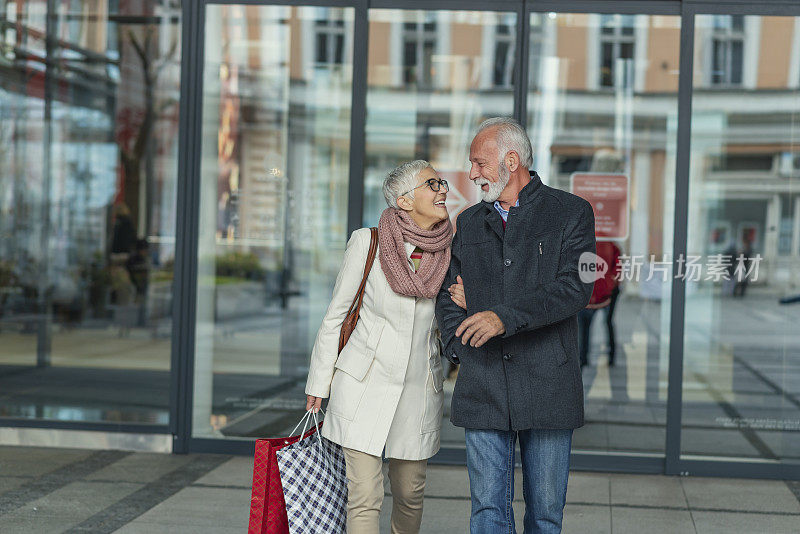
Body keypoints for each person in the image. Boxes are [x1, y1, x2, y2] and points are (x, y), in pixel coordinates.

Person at [436, 117, 596, 534]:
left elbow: (574, 289)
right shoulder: (469, 222)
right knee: (487, 513)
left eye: (478, 162)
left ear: (511, 160)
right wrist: (460, 346)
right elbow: (447, 295)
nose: (472, 173)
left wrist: (498, 314)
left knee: (544, 516)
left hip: (548, 385)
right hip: (483, 382)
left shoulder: (571, 212)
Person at [305, 160, 453, 534]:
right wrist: (318, 385)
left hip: (418, 388)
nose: (442, 189)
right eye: (431, 184)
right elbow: (336, 316)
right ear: (404, 201)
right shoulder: (368, 242)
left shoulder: (451, 251)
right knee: (365, 496)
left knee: (410, 495)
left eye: (442, 182)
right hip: (362, 385)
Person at [578, 240, 621, 367]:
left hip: (605, 292)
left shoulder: (609, 243)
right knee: (585, 326)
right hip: (588, 293)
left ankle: (610, 356)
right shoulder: (581, 239)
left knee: (606, 323)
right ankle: (583, 357)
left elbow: (617, 266)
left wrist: (612, 283)